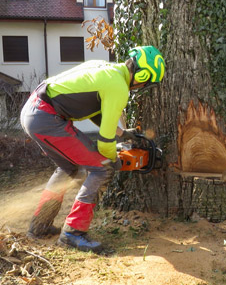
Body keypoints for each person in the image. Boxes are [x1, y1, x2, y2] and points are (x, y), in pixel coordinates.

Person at [20, 46, 165, 253]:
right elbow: (105, 143)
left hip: (34, 110)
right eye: (146, 82)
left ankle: (40, 225)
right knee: (101, 168)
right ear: (142, 75)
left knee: (68, 168)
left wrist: (123, 134)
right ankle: (73, 233)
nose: (142, 86)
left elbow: (92, 110)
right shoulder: (119, 87)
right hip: (47, 118)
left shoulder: (106, 69)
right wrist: (113, 159)